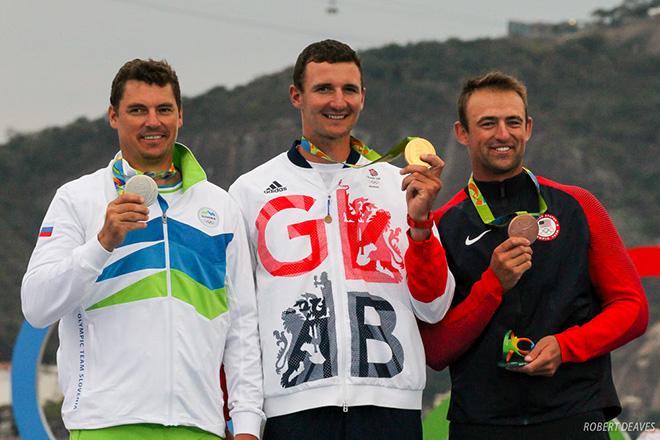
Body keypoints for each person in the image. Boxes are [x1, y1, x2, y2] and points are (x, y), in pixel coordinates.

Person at [21, 59, 264, 440]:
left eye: (163, 109)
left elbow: (242, 327)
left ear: (180, 116)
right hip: (106, 424)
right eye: (137, 110)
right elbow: (37, 306)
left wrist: (248, 423)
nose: (153, 122)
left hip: (200, 426)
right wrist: (101, 244)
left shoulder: (219, 206)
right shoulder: (78, 198)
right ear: (113, 117)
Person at [228, 39, 455, 440]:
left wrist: (420, 225)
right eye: (323, 89)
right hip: (292, 408)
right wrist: (243, 420)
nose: (338, 101)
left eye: (349, 89)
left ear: (363, 97)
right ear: (296, 96)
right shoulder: (250, 191)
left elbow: (434, 307)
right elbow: (239, 320)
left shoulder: (398, 184)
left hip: (390, 406)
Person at [406, 71, 649, 439]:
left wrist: (565, 347)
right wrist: (493, 286)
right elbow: (436, 350)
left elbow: (633, 309)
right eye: (487, 123)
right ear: (462, 133)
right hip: (483, 424)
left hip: (575, 415)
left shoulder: (578, 206)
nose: (503, 134)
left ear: (529, 127)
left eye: (513, 122)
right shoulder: (443, 225)